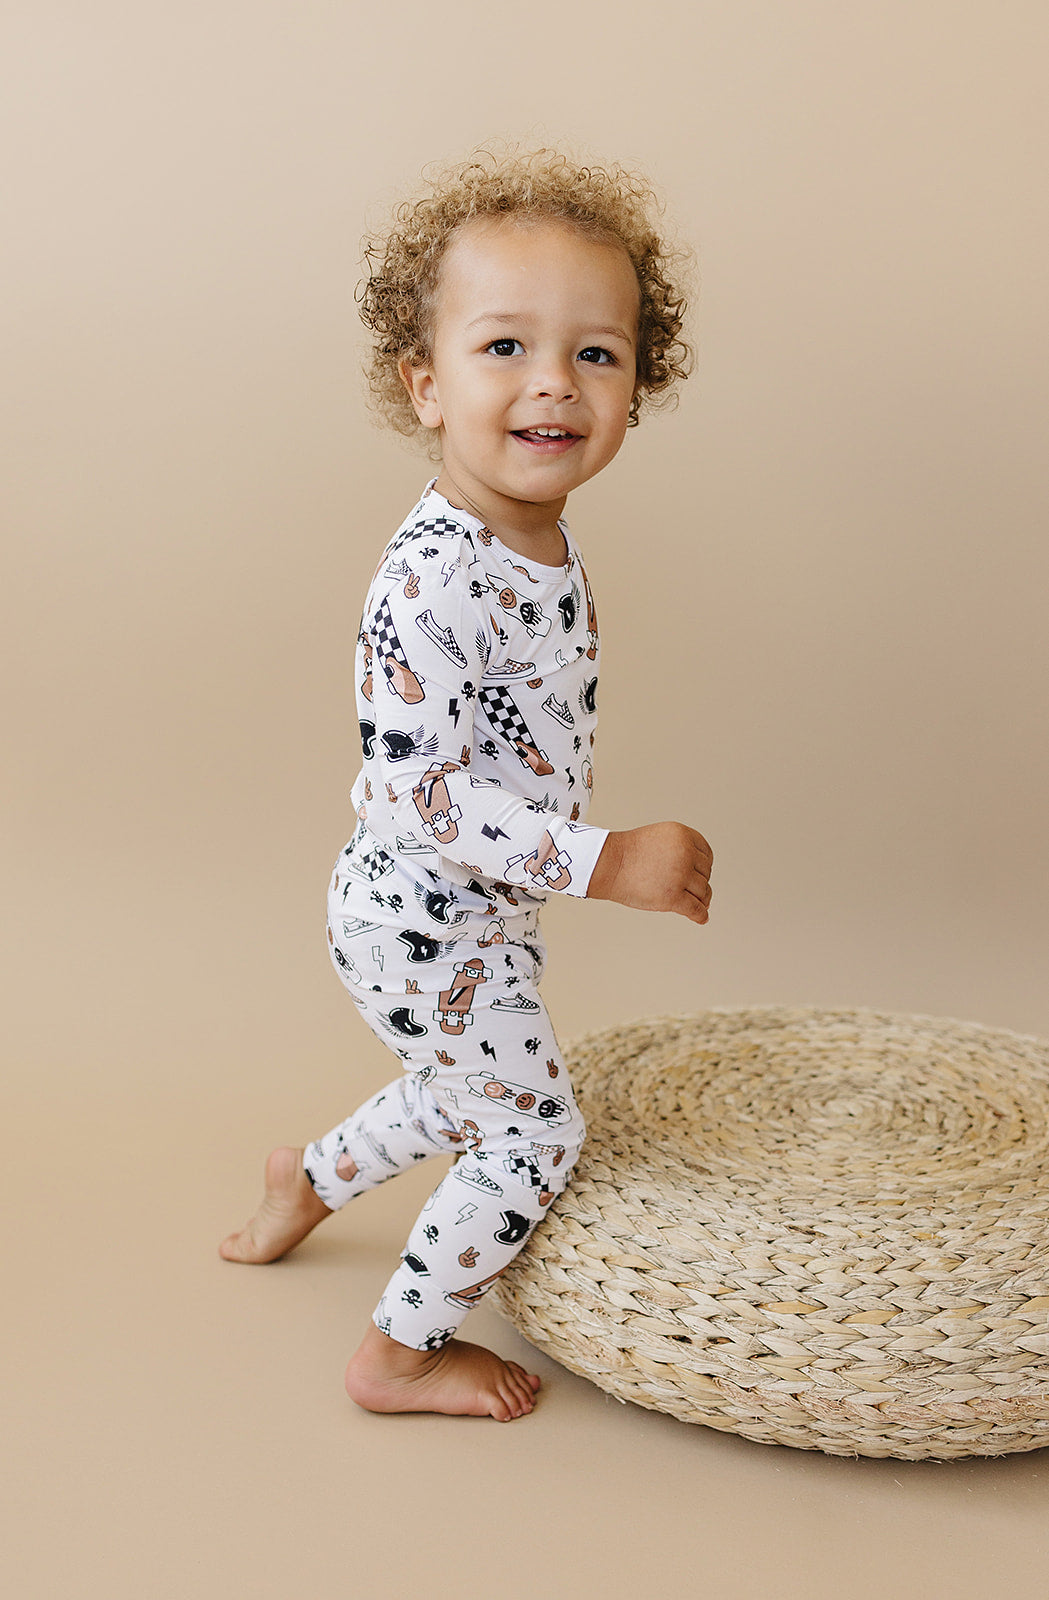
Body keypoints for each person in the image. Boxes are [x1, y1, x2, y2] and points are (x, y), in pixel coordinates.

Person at [221, 146, 714, 1421]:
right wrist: (608, 858)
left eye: (595, 353)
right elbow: (415, 797)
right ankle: (399, 1351)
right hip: (417, 917)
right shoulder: (436, 576)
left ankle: (305, 1180)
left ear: (638, 386)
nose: (553, 381)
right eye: (505, 347)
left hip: (474, 914)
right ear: (426, 383)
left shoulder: (532, 538)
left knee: (464, 1086)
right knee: (533, 1129)